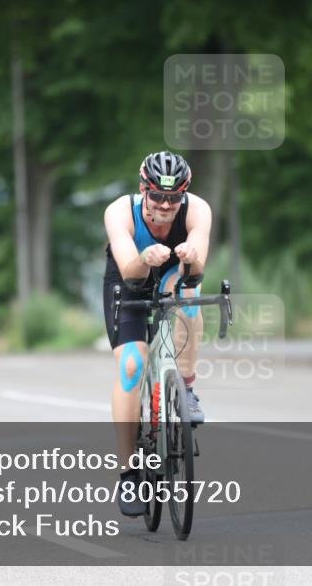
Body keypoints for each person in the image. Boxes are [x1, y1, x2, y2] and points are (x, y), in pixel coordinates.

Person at [102, 151, 211, 517]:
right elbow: (131, 272)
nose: (166, 206)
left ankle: (188, 388)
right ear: (143, 190)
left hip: (173, 275)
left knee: (191, 299)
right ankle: (129, 471)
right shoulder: (120, 212)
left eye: (174, 198)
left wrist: (190, 254)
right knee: (132, 364)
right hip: (129, 276)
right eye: (158, 197)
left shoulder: (197, 210)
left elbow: (196, 272)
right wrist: (144, 257)